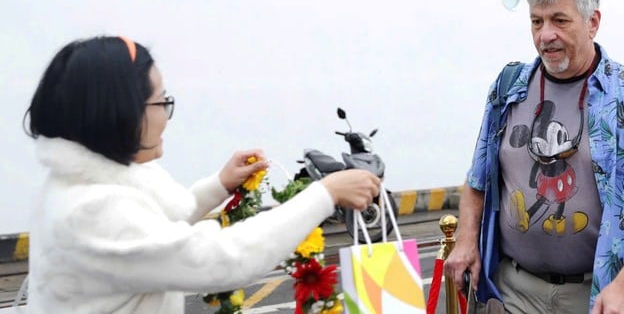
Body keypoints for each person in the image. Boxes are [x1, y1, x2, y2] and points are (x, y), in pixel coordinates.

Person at [22, 36, 381, 314]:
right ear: (120, 113)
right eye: (162, 101)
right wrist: (325, 193)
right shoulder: (93, 210)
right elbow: (224, 258)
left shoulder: (79, 187)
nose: (167, 114)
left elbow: (152, 231)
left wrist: (219, 185)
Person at [446, 0, 624, 314]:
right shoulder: (508, 89)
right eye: (537, 21)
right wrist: (467, 240)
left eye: (559, 21)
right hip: (513, 291)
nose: (545, 35)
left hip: (597, 296)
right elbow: (478, 178)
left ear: (592, 22)